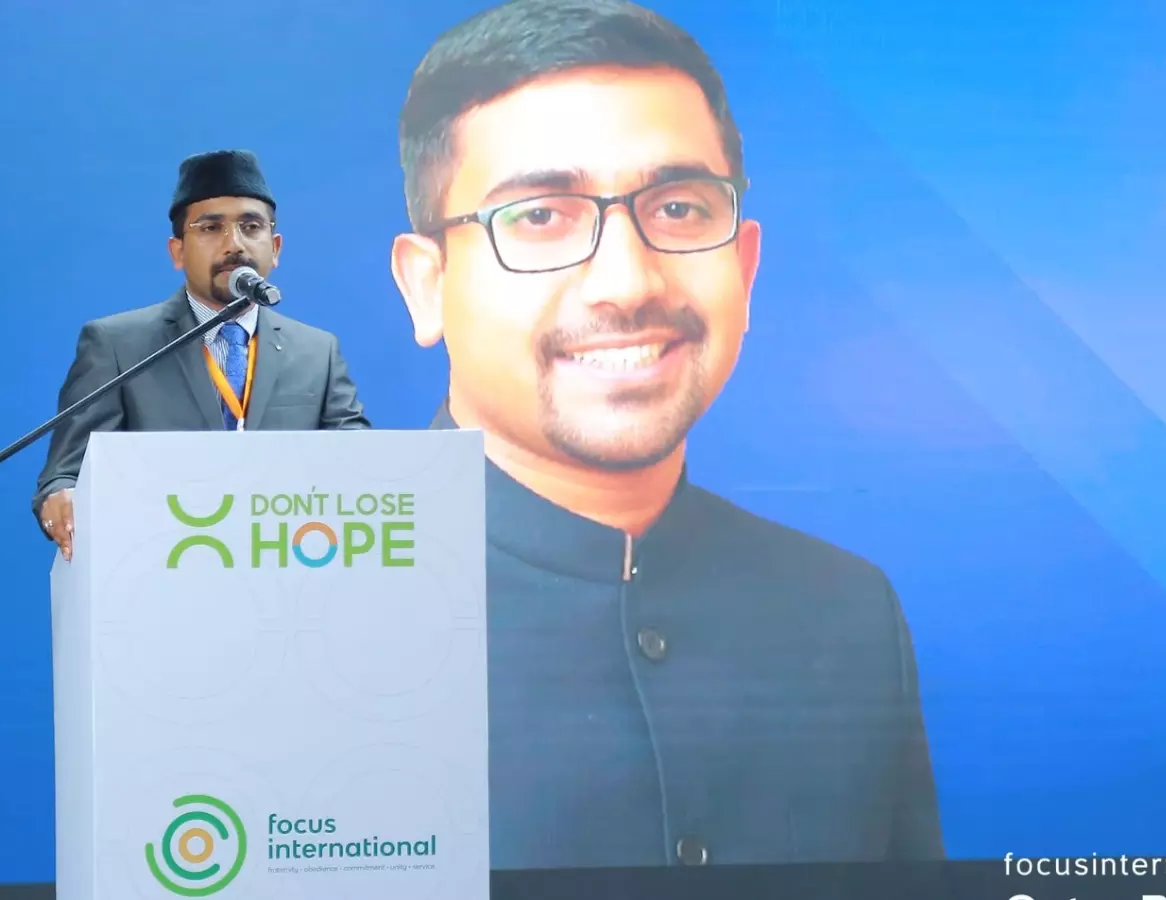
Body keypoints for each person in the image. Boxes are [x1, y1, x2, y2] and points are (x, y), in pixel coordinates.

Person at [390, 0, 944, 869]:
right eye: (540, 216)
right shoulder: (301, 608)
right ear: (427, 286)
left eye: (679, 208)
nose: (627, 281)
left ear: (745, 268)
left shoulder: (845, 610)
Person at [34, 149, 370, 560]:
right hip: (163, 563)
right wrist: (60, 495)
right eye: (211, 228)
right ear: (177, 251)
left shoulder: (318, 352)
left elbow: (361, 467)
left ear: (275, 247)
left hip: (288, 565)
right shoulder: (116, 345)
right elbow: (67, 471)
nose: (235, 244)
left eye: (251, 227)